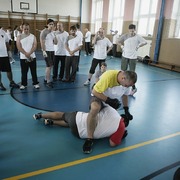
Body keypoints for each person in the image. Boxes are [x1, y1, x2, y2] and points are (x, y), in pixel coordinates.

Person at [83, 70, 137, 153]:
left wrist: (126, 110)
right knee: (94, 108)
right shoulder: (108, 76)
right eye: (126, 85)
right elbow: (94, 91)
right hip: (99, 96)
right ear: (123, 78)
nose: (127, 87)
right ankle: (89, 139)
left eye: (129, 86)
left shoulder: (127, 82)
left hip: (111, 102)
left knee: (115, 121)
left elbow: (125, 95)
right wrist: (108, 100)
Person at [33, 105, 128, 150]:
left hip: (76, 118)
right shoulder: (120, 128)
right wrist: (120, 136)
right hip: (79, 133)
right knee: (72, 125)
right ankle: (51, 122)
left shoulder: (112, 110)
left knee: (63, 115)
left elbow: (99, 105)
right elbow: (112, 144)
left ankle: (41, 115)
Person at [118, 24, 147, 95]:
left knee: (132, 74)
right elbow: (118, 41)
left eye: (133, 31)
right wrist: (121, 46)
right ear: (129, 30)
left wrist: (139, 46)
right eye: (131, 31)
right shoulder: (125, 36)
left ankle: (134, 88)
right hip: (125, 56)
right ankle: (122, 86)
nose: (132, 32)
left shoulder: (138, 37)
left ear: (135, 30)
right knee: (123, 71)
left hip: (133, 57)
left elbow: (145, 42)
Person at [16, 22, 40, 90]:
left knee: (33, 71)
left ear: (29, 28)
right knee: (24, 72)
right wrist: (25, 53)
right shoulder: (19, 37)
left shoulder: (33, 36)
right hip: (23, 57)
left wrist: (30, 53)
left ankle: (35, 83)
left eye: (27, 29)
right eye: (25, 29)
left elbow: (35, 45)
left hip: (32, 57)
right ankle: (24, 84)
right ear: (22, 28)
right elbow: (18, 46)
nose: (26, 30)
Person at [40, 19, 55, 88]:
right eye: (50, 24)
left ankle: (46, 79)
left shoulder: (52, 32)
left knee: (50, 66)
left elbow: (56, 42)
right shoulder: (44, 32)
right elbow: (42, 42)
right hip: (47, 51)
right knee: (48, 66)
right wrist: (44, 51)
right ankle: (48, 81)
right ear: (47, 24)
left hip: (52, 50)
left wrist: (54, 34)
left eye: (52, 24)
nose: (51, 25)